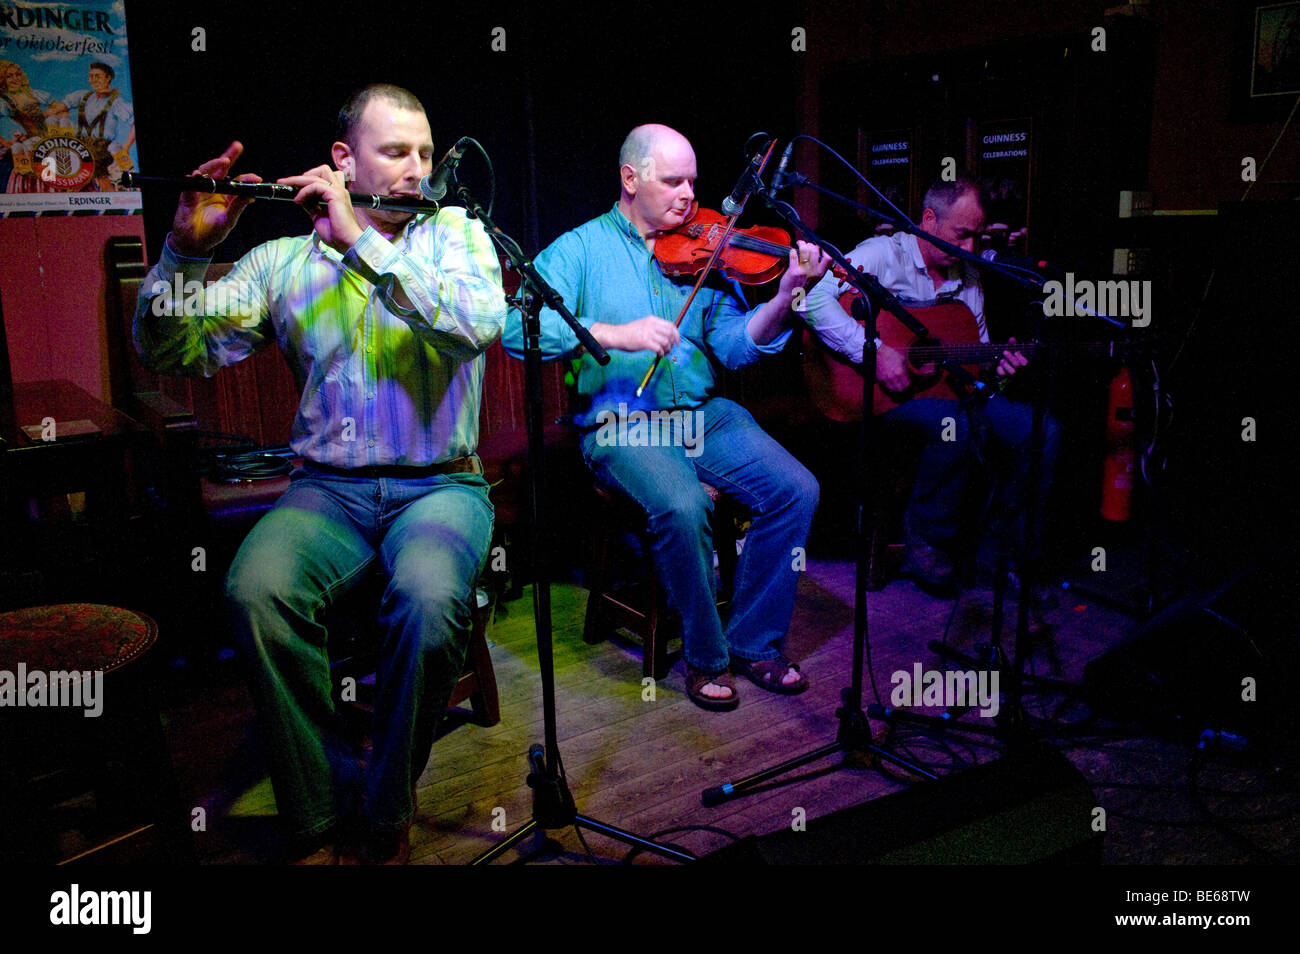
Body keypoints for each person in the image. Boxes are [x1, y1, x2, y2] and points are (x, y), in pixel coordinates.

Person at [133, 84, 506, 863]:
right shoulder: (281, 263)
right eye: (395, 152)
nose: (415, 171)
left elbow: (476, 327)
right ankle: (322, 806)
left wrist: (363, 248)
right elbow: (170, 353)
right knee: (255, 590)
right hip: (326, 491)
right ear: (344, 161)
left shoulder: (457, 238)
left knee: (432, 601)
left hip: (441, 484)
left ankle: (386, 805)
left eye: (425, 154)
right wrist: (186, 252)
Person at [503, 124, 826, 710]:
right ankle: (706, 658)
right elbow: (516, 330)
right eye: (673, 181)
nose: (688, 195)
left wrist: (785, 298)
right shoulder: (579, 249)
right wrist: (610, 332)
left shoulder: (705, 247)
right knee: (683, 504)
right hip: (621, 423)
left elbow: (733, 344)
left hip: (703, 416)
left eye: (693, 182)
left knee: (797, 490)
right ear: (631, 179)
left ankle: (754, 640)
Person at [803, 177, 1060, 590]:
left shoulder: (969, 276)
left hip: (948, 394)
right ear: (928, 220)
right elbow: (811, 300)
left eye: (977, 237)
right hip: (882, 398)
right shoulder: (883, 254)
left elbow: (971, 358)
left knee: (1042, 429)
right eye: (962, 235)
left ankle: (1004, 554)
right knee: (954, 424)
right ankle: (926, 538)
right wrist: (875, 351)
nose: (971, 248)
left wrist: (1000, 369)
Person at [55, 61, 136, 190]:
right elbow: (58, 109)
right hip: (79, 146)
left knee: (98, 180)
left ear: (108, 78)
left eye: (97, 76)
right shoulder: (84, 96)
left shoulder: (116, 101)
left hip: (100, 149)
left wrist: (126, 147)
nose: (93, 80)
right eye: (91, 76)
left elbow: (134, 122)